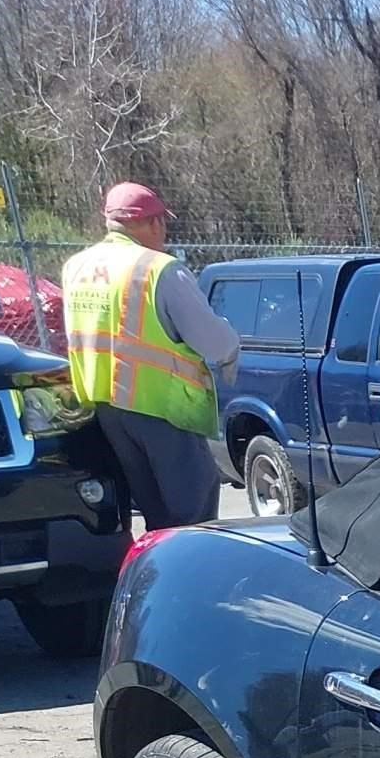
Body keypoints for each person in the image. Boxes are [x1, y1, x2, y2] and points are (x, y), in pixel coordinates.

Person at [60, 182, 240, 530]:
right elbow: (215, 342)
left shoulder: (76, 268)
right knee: (194, 508)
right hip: (161, 406)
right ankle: (188, 582)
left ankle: (154, 577)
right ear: (154, 222)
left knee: (154, 513)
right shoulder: (158, 269)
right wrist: (232, 343)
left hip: (106, 407)